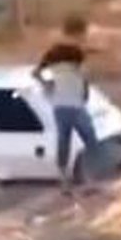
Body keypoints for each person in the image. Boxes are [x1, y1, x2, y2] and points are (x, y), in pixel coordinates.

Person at [33, 15, 98, 193]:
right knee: (90, 140)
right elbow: (84, 77)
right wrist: (85, 93)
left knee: (64, 141)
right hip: (74, 103)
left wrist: (48, 85)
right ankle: (86, 180)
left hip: (59, 103)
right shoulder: (77, 53)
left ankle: (64, 180)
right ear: (78, 33)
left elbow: (36, 72)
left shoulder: (53, 52)